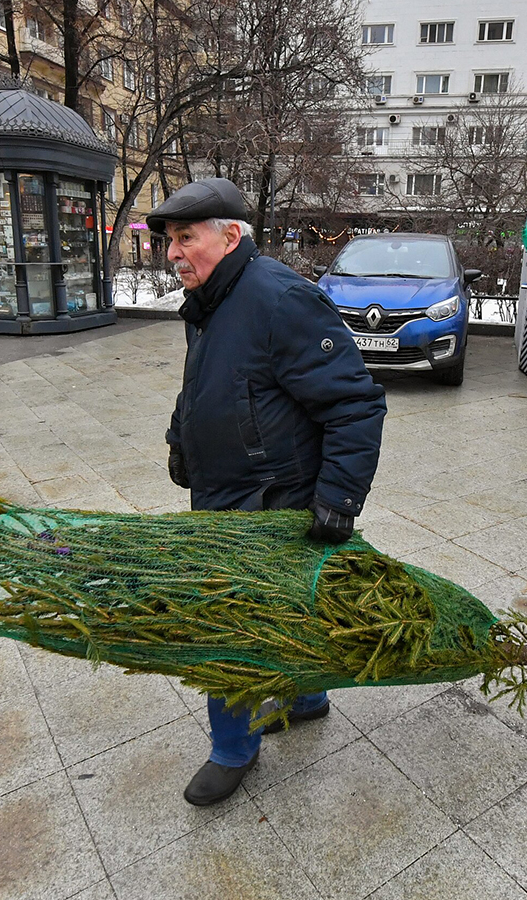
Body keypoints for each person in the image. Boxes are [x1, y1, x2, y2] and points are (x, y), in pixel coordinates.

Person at [149, 178, 387, 806]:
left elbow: (355, 406)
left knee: (225, 625)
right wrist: (183, 442)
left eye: (184, 239)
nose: (173, 253)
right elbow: (202, 385)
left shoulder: (279, 299)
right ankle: (307, 696)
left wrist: (337, 501)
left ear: (230, 237)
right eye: (170, 242)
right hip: (227, 496)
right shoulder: (210, 300)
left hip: (273, 504)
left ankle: (232, 749)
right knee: (289, 615)